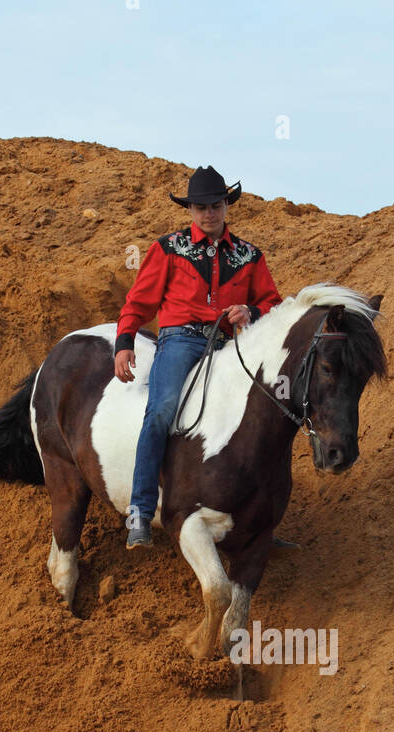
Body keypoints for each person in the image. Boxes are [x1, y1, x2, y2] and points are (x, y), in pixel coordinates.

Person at [115, 165, 282, 548]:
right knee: (161, 410)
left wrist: (252, 313)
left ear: (226, 205)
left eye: (216, 204)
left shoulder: (249, 256)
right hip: (180, 341)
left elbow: (272, 302)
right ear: (190, 209)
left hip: (230, 345)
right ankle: (140, 511)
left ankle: (260, 522)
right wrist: (124, 342)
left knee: (268, 415)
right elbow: (139, 302)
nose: (209, 213)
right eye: (201, 206)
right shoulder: (167, 249)